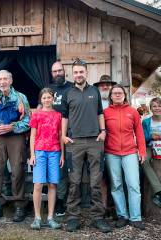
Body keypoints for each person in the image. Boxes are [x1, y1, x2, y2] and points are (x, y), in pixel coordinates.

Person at [62, 59, 111, 233]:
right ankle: (73, 217)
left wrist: (103, 130)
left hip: (94, 141)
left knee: (96, 182)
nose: (78, 75)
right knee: (74, 182)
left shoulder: (95, 91)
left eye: (81, 72)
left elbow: (100, 113)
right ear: (72, 74)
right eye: (75, 72)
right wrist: (63, 136)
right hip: (74, 142)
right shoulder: (68, 93)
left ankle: (98, 217)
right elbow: (64, 117)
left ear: (86, 73)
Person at [0, 70, 30, 222]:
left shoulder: (20, 97)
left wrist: (13, 127)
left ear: (11, 80)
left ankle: (19, 205)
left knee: (17, 170)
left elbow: (28, 120)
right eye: (0, 79)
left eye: (5, 78)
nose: (2, 82)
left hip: (16, 137)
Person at [104, 84, 146, 230]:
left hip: (130, 152)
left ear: (124, 95)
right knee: (116, 185)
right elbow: (103, 133)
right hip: (111, 153)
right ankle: (123, 216)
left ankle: (136, 217)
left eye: (120, 93)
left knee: (133, 184)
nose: (117, 95)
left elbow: (139, 133)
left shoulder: (132, 112)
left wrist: (142, 152)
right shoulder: (105, 113)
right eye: (114, 93)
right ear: (110, 96)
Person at [29, 88, 64, 230]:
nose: (47, 100)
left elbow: (61, 135)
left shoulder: (58, 115)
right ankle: (37, 218)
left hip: (55, 151)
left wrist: (62, 154)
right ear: (41, 99)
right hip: (40, 151)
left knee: (52, 185)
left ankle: (50, 217)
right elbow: (32, 135)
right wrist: (32, 155)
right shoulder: (36, 115)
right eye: (44, 98)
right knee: (38, 184)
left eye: (49, 97)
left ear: (53, 99)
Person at [49, 61, 73, 216]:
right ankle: (59, 201)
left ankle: (69, 201)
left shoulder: (72, 88)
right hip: (52, 135)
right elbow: (41, 107)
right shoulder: (49, 89)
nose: (57, 73)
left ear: (64, 71)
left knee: (70, 169)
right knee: (58, 168)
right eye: (54, 71)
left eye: (60, 70)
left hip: (71, 133)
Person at [93, 75, 116, 210]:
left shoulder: (117, 101)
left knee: (115, 176)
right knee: (100, 176)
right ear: (98, 87)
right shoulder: (94, 101)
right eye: (102, 84)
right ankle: (103, 206)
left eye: (108, 84)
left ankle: (116, 207)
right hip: (98, 143)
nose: (105, 87)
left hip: (114, 143)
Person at [142, 97, 161, 208]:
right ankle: (158, 191)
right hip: (151, 146)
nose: (157, 108)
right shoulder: (146, 121)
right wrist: (150, 136)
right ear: (151, 108)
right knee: (144, 160)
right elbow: (143, 137)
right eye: (154, 106)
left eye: (159, 106)